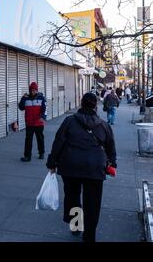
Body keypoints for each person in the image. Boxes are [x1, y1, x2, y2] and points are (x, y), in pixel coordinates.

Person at [46, 93, 117, 242]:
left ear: (81, 103)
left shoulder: (69, 121)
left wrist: (52, 162)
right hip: (94, 167)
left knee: (73, 197)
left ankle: (76, 226)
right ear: (95, 106)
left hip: (71, 166)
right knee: (92, 202)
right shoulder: (103, 125)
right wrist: (112, 163)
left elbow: (58, 142)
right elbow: (110, 146)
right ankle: (89, 235)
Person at [18, 82, 47, 162]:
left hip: (39, 122)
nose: (32, 92)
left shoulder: (41, 98)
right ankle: (27, 156)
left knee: (40, 138)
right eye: (31, 90)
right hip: (29, 123)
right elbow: (21, 107)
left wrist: (43, 117)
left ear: (36, 90)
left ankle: (41, 153)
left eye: (34, 90)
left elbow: (45, 109)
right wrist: (23, 98)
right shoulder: (26, 98)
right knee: (28, 140)